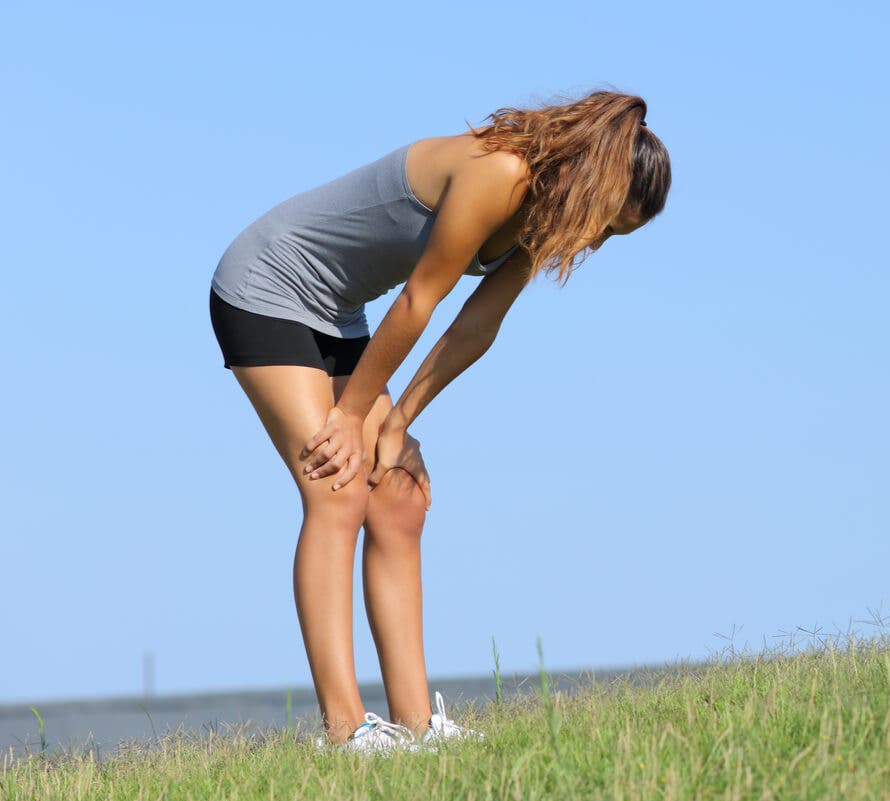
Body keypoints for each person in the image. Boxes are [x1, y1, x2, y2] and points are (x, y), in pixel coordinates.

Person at [207, 89, 671, 752]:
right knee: (335, 486)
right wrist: (356, 413)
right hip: (267, 286)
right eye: (606, 224)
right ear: (593, 183)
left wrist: (400, 420)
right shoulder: (500, 173)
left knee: (400, 497)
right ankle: (344, 730)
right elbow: (421, 300)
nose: (595, 240)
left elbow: (478, 325)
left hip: (336, 310)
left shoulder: (545, 211)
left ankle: (418, 726)